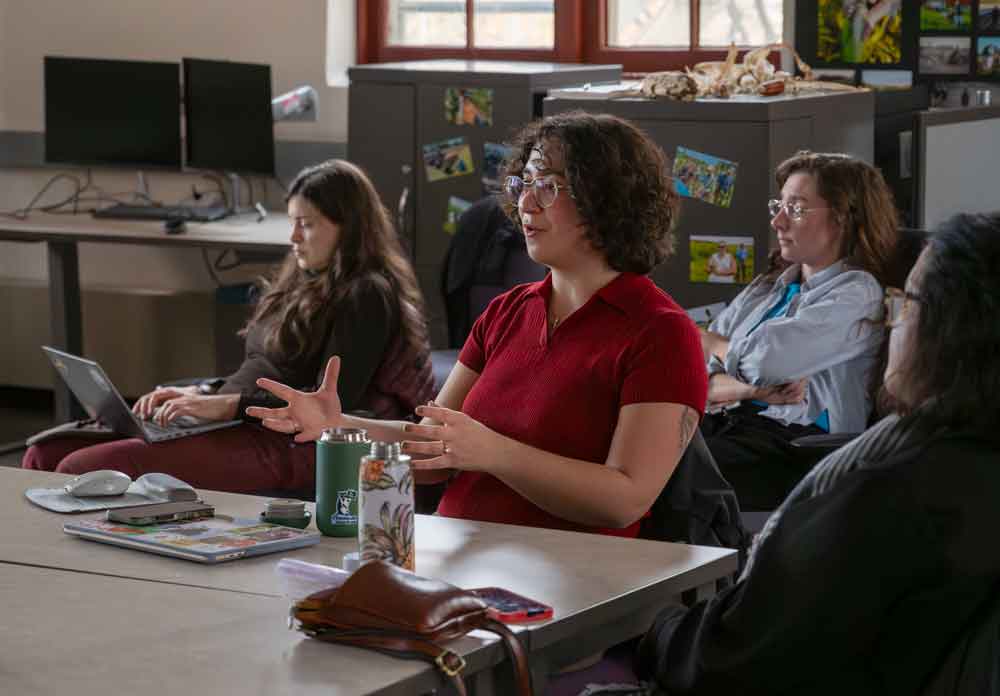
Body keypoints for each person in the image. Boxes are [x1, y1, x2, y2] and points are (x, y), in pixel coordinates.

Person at [247, 111, 708, 537]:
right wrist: (340, 424)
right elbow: (434, 451)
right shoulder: (507, 311)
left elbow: (625, 500)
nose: (526, 202)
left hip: (568, 573)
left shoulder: (661, 333)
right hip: (455, 551)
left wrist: (493, 452)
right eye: (524, 183)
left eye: (549, 185)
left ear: (608, 199)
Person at [629, 212, 1000, 694]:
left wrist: (651, 625)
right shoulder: (968, 467)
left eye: (905, 303)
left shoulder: (886, 492)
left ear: (955, 328)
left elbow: (730, 660)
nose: (894, 322)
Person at [22, 160, 434, 493]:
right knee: (43, 455)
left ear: (349, 227)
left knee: (81, 467)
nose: (293, 236)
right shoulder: (305, 278)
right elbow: (265, 371)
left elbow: (328, 406)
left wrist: (227, 405)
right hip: (240, 417)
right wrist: (204, 392)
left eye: (307, 224)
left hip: (287, 437)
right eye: (293, 222)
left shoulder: (367, 293)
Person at [699, 151, 899, 510]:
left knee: (670, 472)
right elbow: (699, 375)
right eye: (779, 206)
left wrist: (714, 342)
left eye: (795, 209)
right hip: (729, 424)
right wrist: (752, 389)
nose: (777, 221)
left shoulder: (858, 294)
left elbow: (765, 361)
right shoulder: (769, 286)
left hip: (795, 447)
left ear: (842, 219)